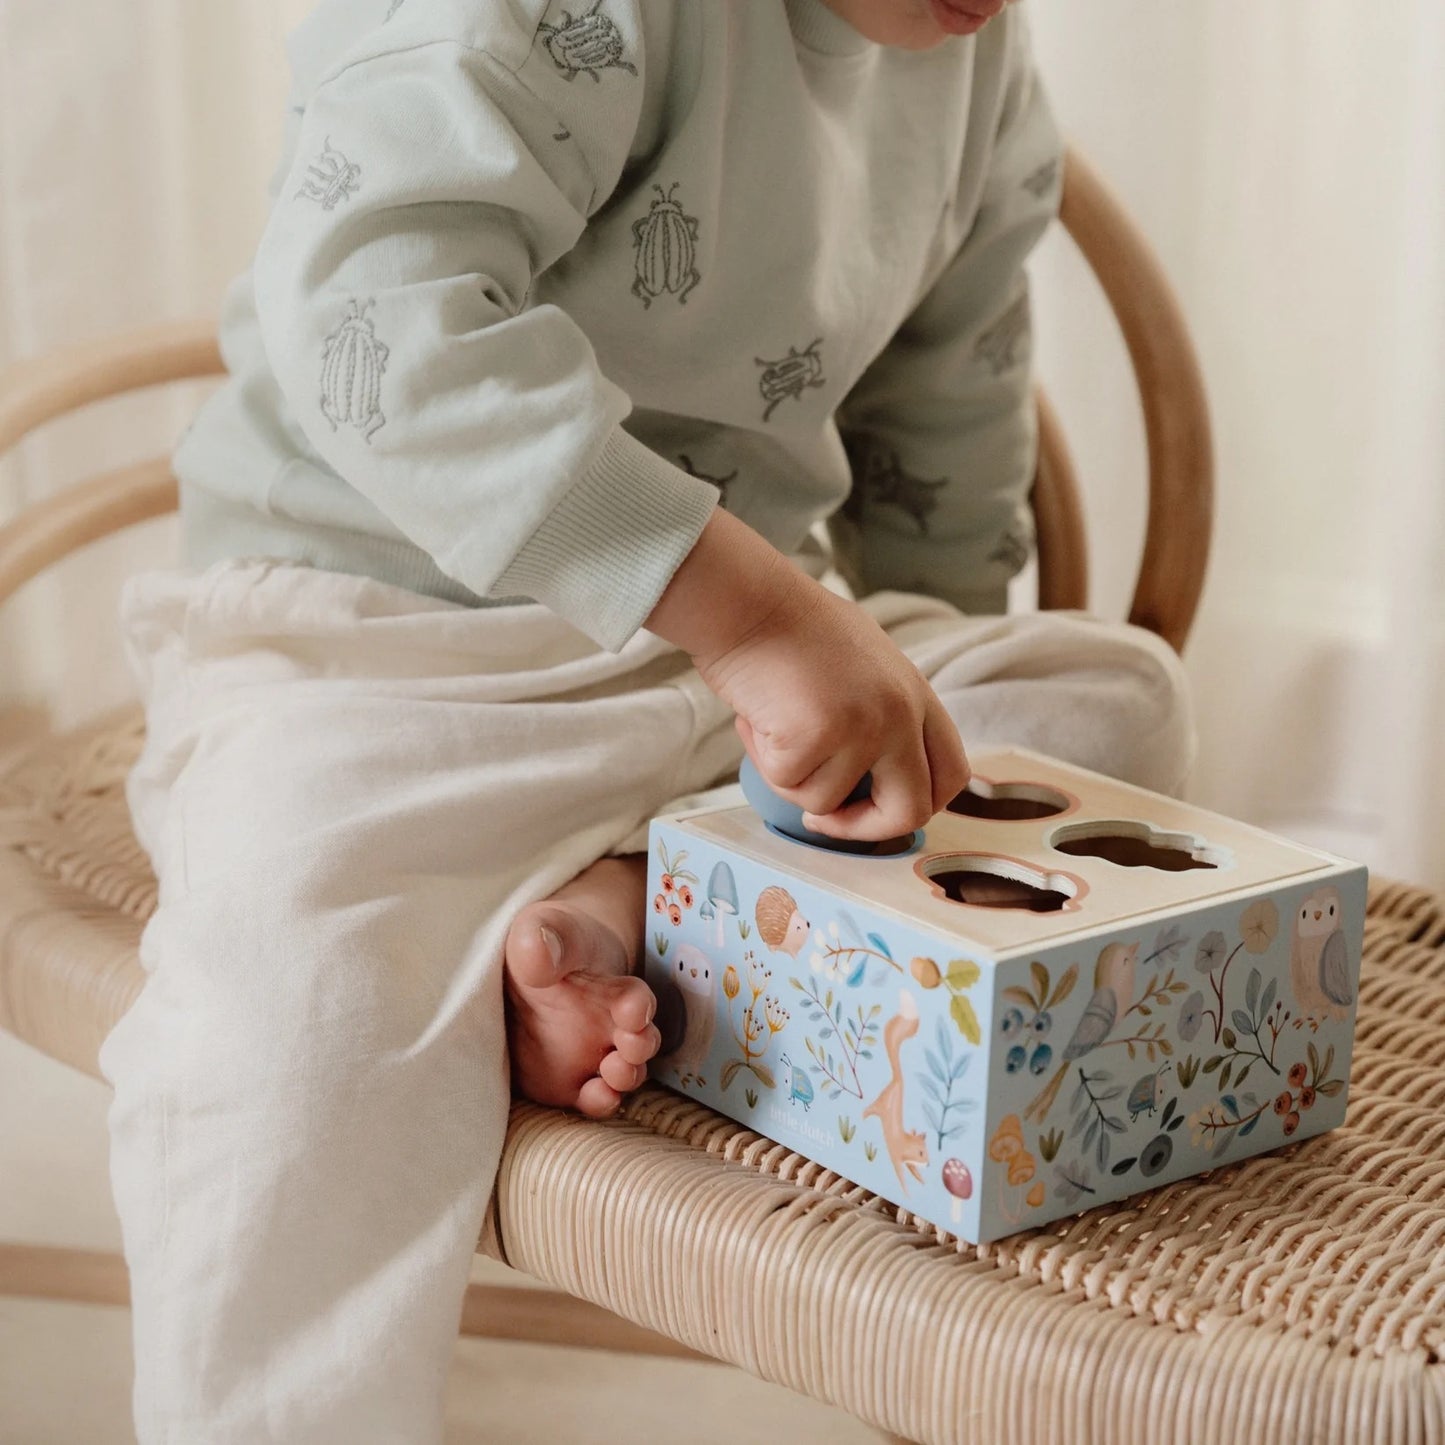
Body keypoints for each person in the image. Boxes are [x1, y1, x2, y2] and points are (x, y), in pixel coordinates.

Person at [102, 0, 1193, 1438]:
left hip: (723, 674)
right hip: (380, 643)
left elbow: (947, 414)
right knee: (285, 1015)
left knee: (1105, 695)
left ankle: (615, 897)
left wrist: (895, 728)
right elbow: (380, 323)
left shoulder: (974, 62)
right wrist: (757, 619)